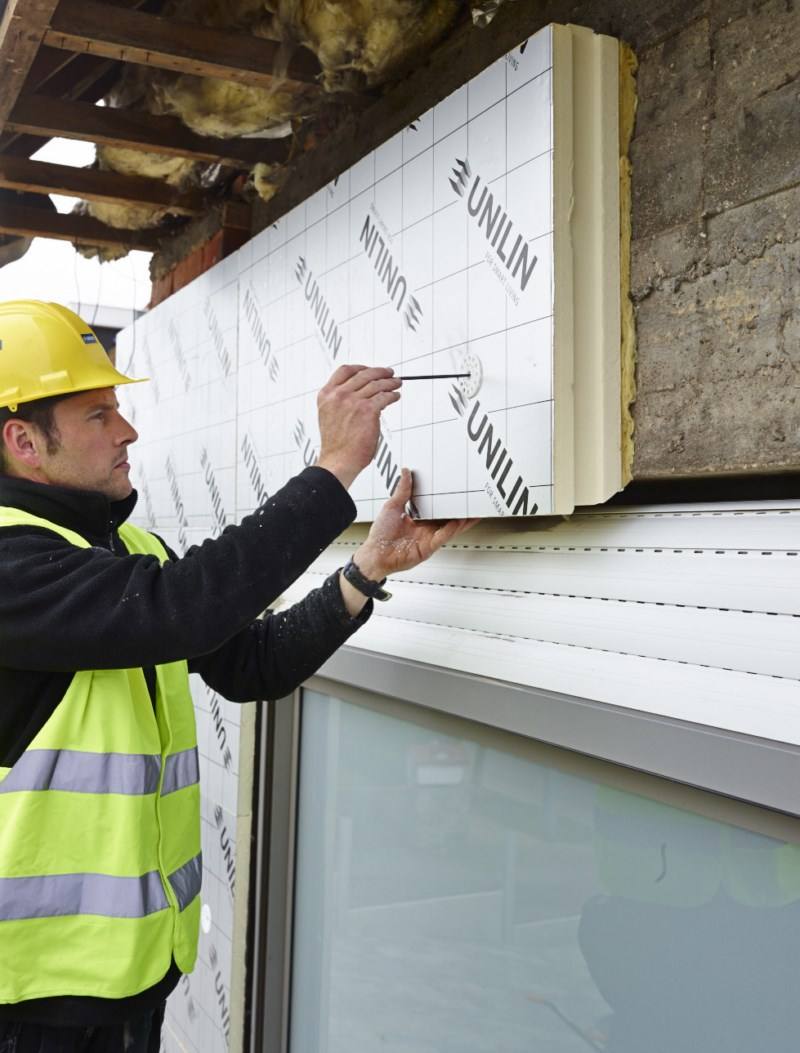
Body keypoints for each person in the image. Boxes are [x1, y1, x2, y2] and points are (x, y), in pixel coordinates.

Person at [0, 300, 474, 1053]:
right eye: (98, 416)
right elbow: (181, 609)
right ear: (24, 440)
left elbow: (250, 662)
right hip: (30, 996)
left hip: (132, 976)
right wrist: (334, 468)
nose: (128, 431)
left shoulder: (125, 548)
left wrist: (366, 569)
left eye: (119, 410)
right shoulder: (12, 564)